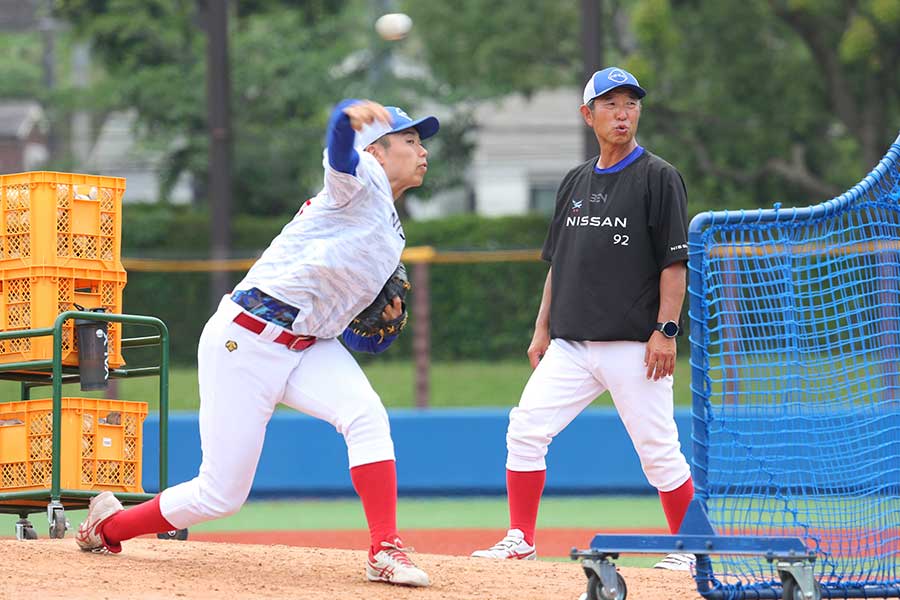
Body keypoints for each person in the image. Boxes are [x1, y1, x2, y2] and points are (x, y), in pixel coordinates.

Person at [75, 99, 439, 587]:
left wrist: (379, 329)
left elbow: (350, 331)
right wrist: (345, 116)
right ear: (376, 150)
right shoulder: (361, 181)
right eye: (410, 140)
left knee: (366, 416)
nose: (422, 151)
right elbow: (339, 151)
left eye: (422, 141)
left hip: (309, 344)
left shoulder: (390, 231)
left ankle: (384, 549)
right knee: (220, 496)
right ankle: (110, 525)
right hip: (244, 342)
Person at [471, 67, 695, 571]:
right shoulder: (574, 180)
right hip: (571, 345)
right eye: (611, 104)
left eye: (631, 104)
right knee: (525, 430)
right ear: (587, 114)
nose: (623, 113)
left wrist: (666, 331)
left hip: (633, 345)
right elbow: (559, 263)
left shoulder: (659, 177)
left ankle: (690, 547)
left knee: (659, 452)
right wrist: (541, 327)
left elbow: (673, 264)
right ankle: (520, 538)